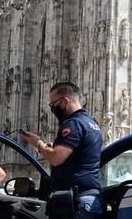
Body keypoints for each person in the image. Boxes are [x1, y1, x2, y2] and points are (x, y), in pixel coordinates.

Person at [21, 82, 104, 218]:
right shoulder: (91, 123)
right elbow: (80, 155)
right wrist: (53, 147)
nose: (53, 108)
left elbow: (56, 158)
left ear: (65, 101)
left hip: (75, 203)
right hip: (88, 199)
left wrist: (38, 144)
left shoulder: (74, 124)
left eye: (53, 104)